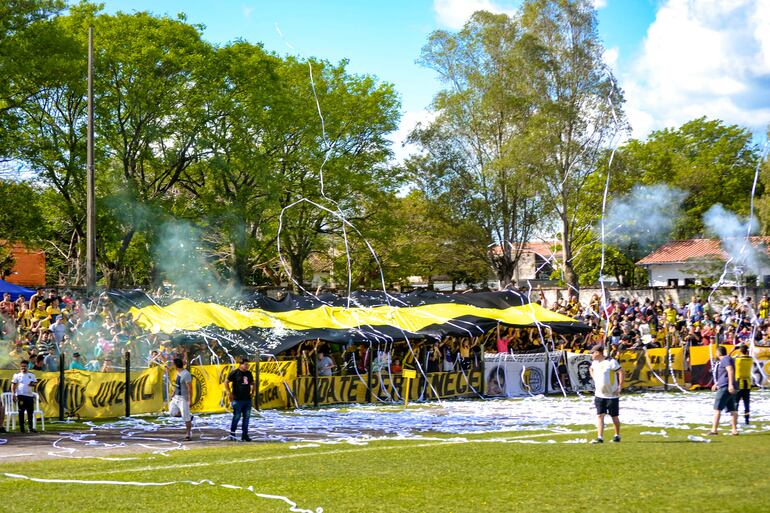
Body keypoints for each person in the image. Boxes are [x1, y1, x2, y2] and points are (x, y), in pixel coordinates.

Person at [589, 345, 624, 444]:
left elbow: (621, 372)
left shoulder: (610, 362)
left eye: (593, 353)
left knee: (614, 416)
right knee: (600, 415)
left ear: (598, 353)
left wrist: (620, 386)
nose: (591, 355)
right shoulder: (594, 363)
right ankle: (600, 437)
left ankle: (617, 435)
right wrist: (594, 378)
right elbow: (590, 369)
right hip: (599, 394)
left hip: (611, 395)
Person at [709, 345, 738, 436]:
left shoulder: (725, 359)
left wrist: (730, 385)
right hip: (726, 385)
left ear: (718, 353)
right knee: (732, 409)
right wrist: (717, 383)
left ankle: (714, 430)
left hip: (725, 387)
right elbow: (724, 374)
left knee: (717, 408)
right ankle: (734, 430)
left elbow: (730, 371)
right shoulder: (727, 359)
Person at [227, 357, 255, 442]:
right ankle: (232, 434)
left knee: (246, 417)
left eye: (248, 364)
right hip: (237, 399)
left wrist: (253, 392)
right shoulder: (235, 373)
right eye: (245, 364)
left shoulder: (249, 373)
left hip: (247, 399)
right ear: (240, 364)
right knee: (237, 416)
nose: (247, 366)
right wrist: (229, 392)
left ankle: (245, 435)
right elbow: (226, 382)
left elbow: (253, 383)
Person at [169, 357, 193, 441]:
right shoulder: (178, 373)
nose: (171, 365)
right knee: (172, 412)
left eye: (173, 363)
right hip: (176, 397)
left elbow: (190, 388)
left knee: (186, 417)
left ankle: (188, 434)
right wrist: (172, 394)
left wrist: (190, 400)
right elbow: (177, 385)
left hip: (183, 398)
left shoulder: (186, 374)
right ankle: (187, 416)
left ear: (176, 365)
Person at [11, 360, 38, 433]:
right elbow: (13, 385)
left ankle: (30, 428)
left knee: (30, 412)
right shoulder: (16, 375)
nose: (23, 368)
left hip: (29, 395)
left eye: (25, 366)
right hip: (20, 395)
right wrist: (13, 394)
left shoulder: (31, 375)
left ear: (28, 367)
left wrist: (32, 384)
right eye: (22, 366)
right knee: (21, 412)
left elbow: (35, 384)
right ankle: (22, 429)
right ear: (20, 367)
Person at [732, 345, 753, 425]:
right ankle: (747, 420)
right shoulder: (750, 359)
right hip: (747, 383)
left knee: (736, 402)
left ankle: (735, 419)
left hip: (738, 383)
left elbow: (727, 359)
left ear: (740, 351)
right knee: (746, 403)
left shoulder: (737, 360)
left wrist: (733, 351)